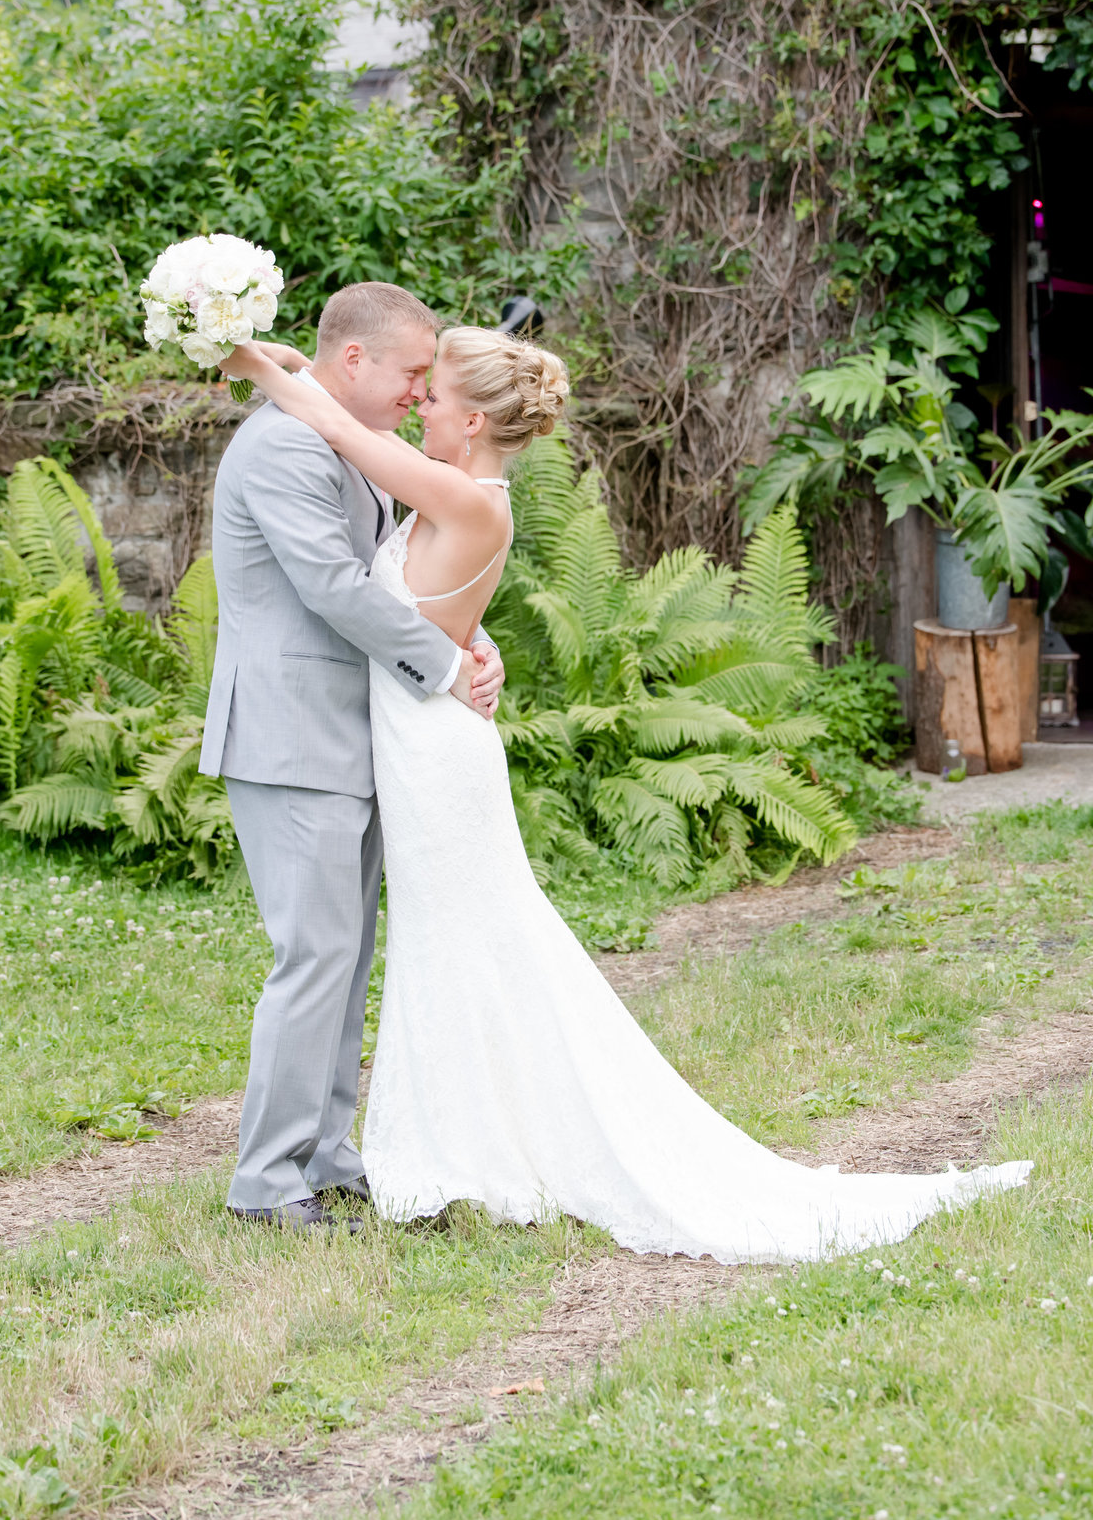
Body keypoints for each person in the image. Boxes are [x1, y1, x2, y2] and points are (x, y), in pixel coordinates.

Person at [216, 320, 1032, 1262]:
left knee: (461, 946)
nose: (417, 405)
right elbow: (361, 472)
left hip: (432, 748)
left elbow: (350, 438)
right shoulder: (454, 481)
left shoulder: (458, 490)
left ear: (472, 422)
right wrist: (269, 360)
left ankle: (435, 1152)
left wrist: (249, 360)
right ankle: (417, 1150)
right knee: (430, 950)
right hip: (406, 737)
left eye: (431, 395)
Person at [200, 282, 505, 1234]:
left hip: (357, 736)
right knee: (315, 955)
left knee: (346, 955)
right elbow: (332, 586)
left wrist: (464, 633)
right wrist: (443, 663)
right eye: (414, 372)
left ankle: (327, 1156)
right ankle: (266, 1180)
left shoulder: (342, 440)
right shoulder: (286, 446)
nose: (422, 394)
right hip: (293, 739)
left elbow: (398, 572)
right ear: (356, 359)